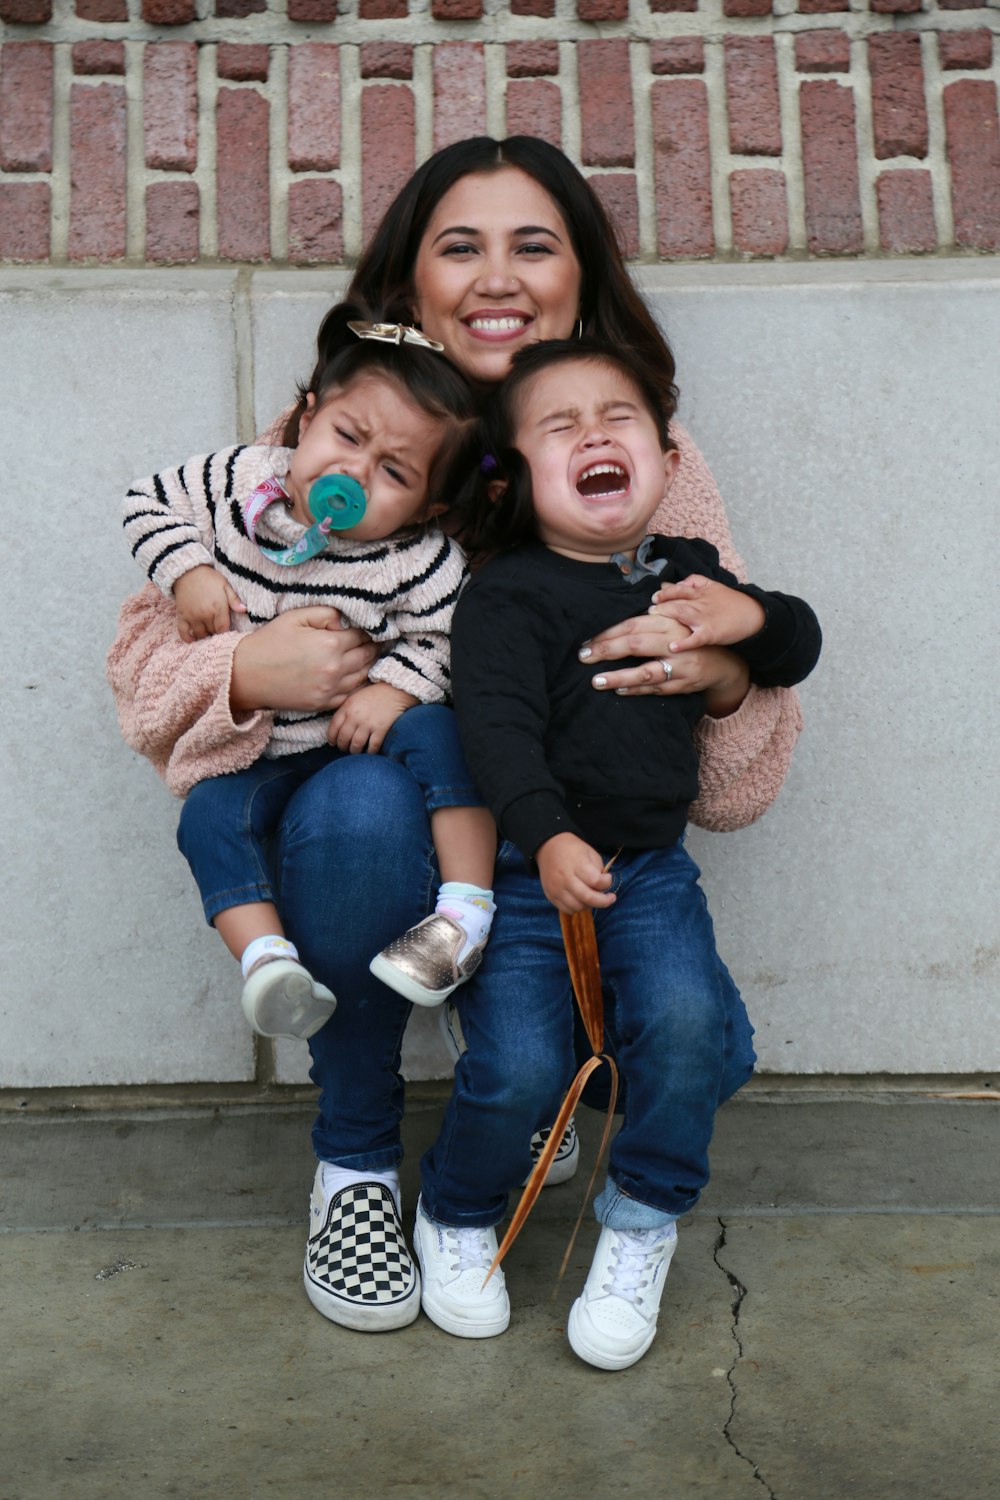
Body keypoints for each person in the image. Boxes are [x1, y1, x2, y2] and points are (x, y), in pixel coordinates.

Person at [107, 135, 807, 1339]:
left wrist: (723, 677)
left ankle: (539, 1092)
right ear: (408, 280)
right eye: (458, 247)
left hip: (570, 861)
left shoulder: (639, 466)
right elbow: (141, 678)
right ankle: (360, 1165)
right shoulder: (335, 439)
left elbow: (737, 794)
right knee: (361, 797)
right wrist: (241, 663)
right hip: (369, 829)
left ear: (581, 281)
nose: (497, 276)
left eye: (534, 246)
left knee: (701, 1044)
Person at [410, 338, 821, 1367]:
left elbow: (799, 646)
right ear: (512, 479)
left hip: (647, 871)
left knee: (686, 1031)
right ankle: (457, 1210)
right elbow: (494, 732)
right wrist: (543, 834)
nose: (594, 431)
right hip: (527, 870)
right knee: (516, 1067)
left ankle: (639, 1221)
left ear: (666, 458)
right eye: (559, 426)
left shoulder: (681, 571)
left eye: (619, 417)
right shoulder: (506, 595)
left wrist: (751, 619)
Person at [121, 303, 497, 1040]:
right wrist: (188, 570)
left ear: (430, 505)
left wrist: (396, 689)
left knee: (440, 732)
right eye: (346, 436)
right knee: (205, 815)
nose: (352, 473)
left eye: (393, 472)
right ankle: (266, 961)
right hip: (265, 752)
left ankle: (463, 912)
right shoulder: (239, 478)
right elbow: (146, 502)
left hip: (358, 744)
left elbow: (457, 637)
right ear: (307, 415)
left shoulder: (413, 558)